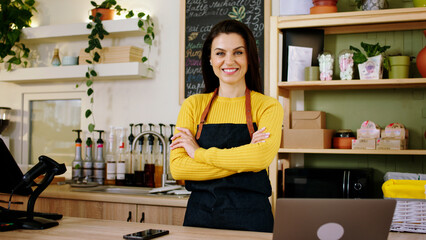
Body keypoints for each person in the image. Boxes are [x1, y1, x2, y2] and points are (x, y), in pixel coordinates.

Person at [170, 19, 283, 233]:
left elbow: (260, 159)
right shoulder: (193, 105)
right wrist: (244, 159)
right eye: (220, 53)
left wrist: (198, 153)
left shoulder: (268, 106)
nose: (229, 61)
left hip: (252, 222)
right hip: (200, 220)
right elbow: (179, 167)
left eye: (238, 52)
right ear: (210, 59)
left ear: (249, 57)